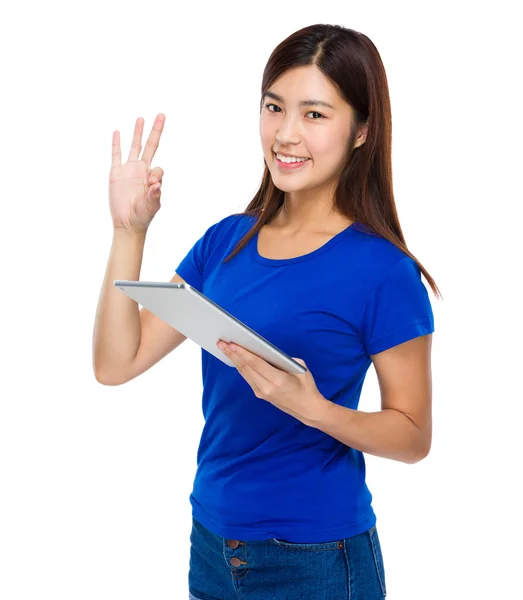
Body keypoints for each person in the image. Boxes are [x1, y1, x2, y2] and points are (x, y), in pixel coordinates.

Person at [93, 23, 440, 600]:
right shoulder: (225, 241)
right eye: (274, 107)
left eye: (315, 114)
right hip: (212, 543)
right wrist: (128, 232)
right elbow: (115, 363)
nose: (285, 133)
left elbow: (413, 435)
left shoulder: (383, 270)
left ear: (362, 132)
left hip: (316, 559)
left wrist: (313, 409)